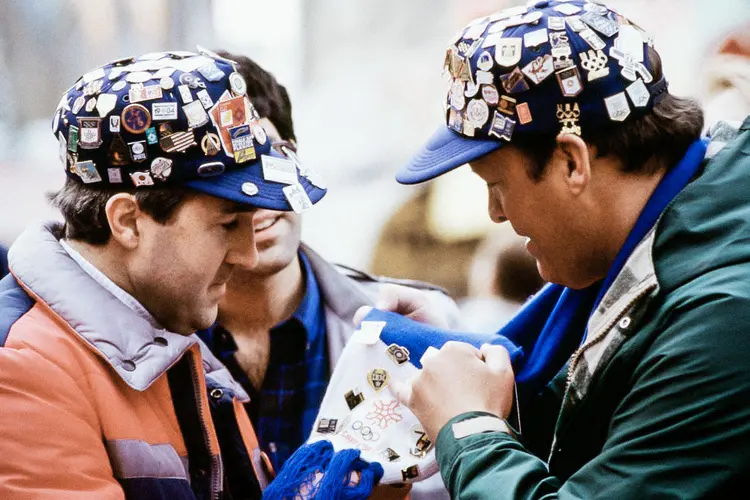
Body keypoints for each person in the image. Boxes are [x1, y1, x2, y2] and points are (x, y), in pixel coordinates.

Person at [365, 0, 750, 497]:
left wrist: (469, 429)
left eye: (496, 185)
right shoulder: (678, 246)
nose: (495, 215)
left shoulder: (722, 314)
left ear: (572, 163)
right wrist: (458, 347)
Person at [0, 49, 326, 499]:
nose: (248, 256)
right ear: (129, 222)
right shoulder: (20, 368)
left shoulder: (168, 322)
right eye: (229, 224)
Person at [197, 51, 459, 500]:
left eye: (276, 157)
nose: (261, 197)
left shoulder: (416, 326)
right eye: (229, 175)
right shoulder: (151, 345)